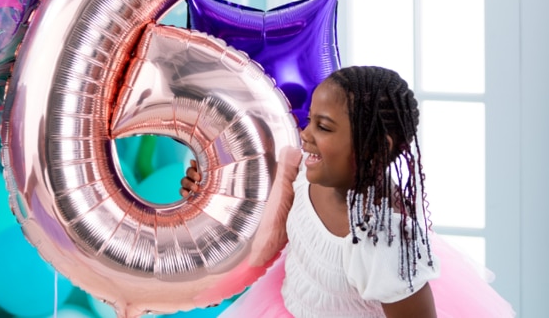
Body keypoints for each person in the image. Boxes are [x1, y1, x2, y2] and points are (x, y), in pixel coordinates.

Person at [181, 66, 515, 317]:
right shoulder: (304, 167)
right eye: (310, 119)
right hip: (290, 304)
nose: (306, 134)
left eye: (323, 127)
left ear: (373, 149)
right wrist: (209, 185)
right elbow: (251, 195)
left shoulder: (383, 240)